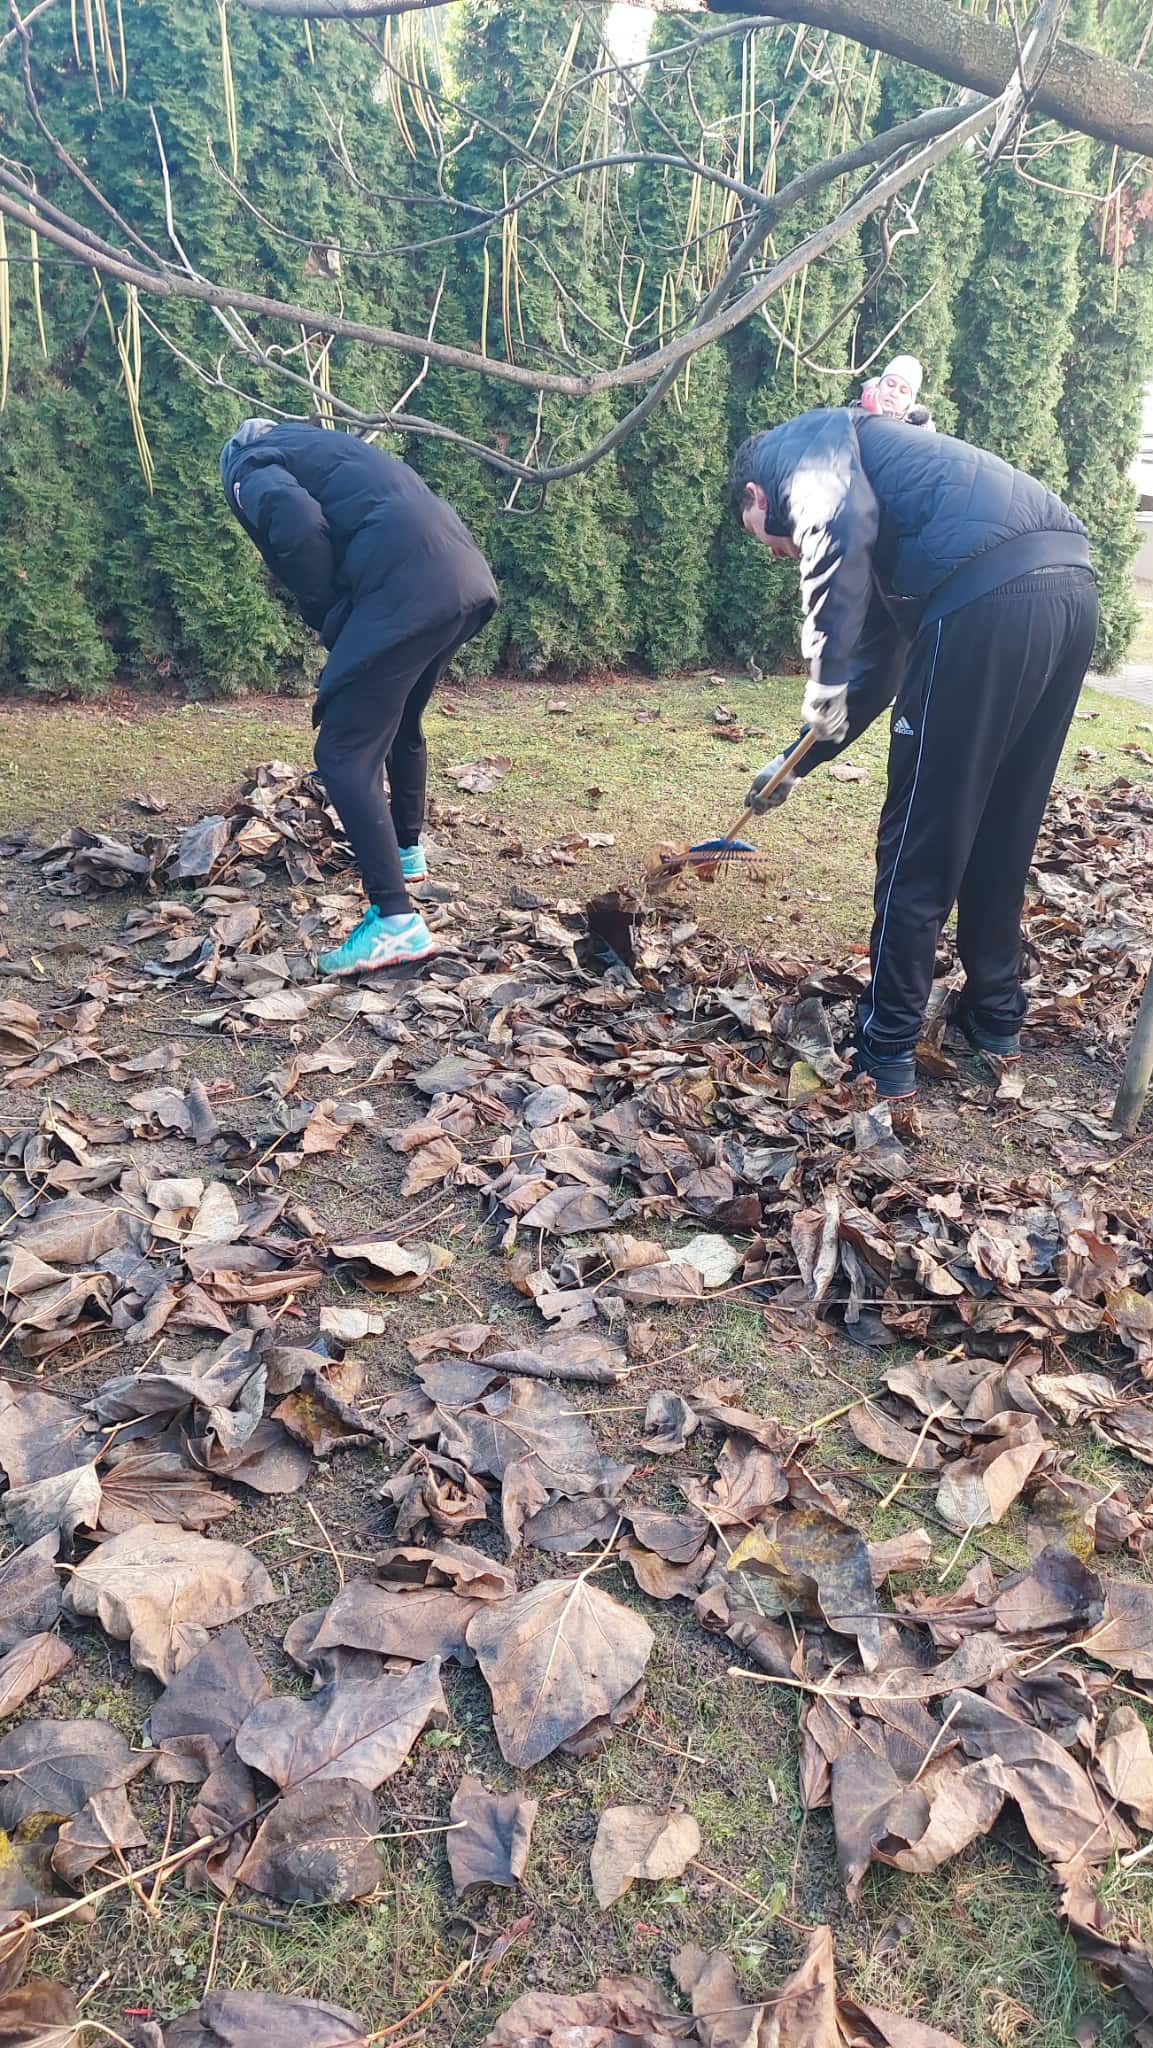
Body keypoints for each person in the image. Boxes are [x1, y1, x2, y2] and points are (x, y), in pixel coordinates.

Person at [729, 408, 1098, 1098]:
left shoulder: (803, 450)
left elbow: (840, 592)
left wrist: (824, 672)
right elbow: (880, 665)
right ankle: (996, 1017)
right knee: (1002, 821)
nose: (778, 553)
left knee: (919, 841)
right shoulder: (876, 490)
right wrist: (794, 764)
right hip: (1069, 588)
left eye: (762, 539)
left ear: (755, 497)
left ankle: (888, 1047)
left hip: (985, 597)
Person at [220, 419, 498, 976]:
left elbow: (294, 519)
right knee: (400, 720)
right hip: (464, 576)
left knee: (343, 754)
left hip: (407, 586)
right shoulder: (321, 447)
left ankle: (394, 921)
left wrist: (328, 606)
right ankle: (406, 851)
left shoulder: (247, 464)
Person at [857, 354, 935, 432]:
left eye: (903, 391)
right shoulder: (855, 414)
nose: (893, 393)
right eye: (890, 384)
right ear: (878, 385)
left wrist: (875, 419)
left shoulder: (921, 430)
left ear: (910, 401)